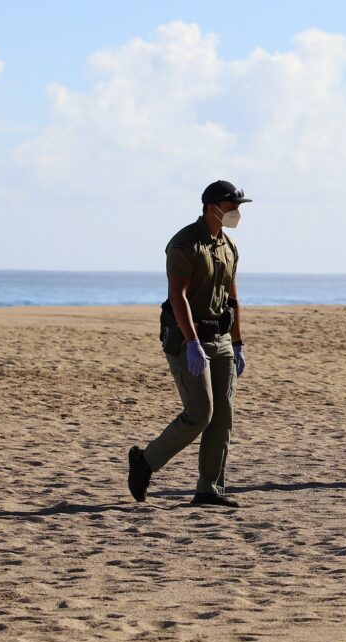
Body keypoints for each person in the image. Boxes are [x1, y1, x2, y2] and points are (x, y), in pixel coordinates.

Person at [127, 180, 251, 507]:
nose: (237, 212)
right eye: (232, 206)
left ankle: (209, 490)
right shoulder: (184, 244)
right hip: (187, 339)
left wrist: (238, 342)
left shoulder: (229, 247)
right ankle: (145, 461)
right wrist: (193, 343)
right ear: (213, 207)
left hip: (221, 339)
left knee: (223, 417)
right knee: (200, 413)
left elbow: (232, 296)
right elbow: (177, 296)